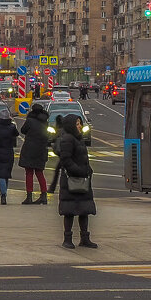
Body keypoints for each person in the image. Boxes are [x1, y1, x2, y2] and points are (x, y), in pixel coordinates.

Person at [56, 114, 97, 249]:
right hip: (71, 180)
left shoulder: (78, 139)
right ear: (71, 125)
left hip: (82, 179)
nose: (80, 126)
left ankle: (85, 238)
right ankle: (67, 239)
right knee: (69, 210)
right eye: (77, 123)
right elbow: (66, 160)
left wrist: (88, 170)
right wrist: (79, 171)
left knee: (84, 210)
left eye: (80, 123)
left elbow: (83, 158)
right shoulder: (68, 139)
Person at [18, 104, 51, 205]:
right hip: (41, 149)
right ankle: (44, 195)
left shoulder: (30, 120)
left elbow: (23, 130)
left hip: (30, 149)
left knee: (29, 173)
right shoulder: (45, 121)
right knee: (39, 173)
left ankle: (29, 196)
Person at [0, 108, 20, 205]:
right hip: (8, 153)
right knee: (6, 174)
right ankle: (4, 193)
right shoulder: (12, 127)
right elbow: (17, 134)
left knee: (0, 174)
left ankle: (3, 194)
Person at [48, 114, 65, 194]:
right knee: (60, 171)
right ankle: (53, 188)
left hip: (63, 155)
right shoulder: (66, 129)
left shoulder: (59, 130)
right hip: (65, 154)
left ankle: (52, 188)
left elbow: (54, 140)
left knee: (58, 171)